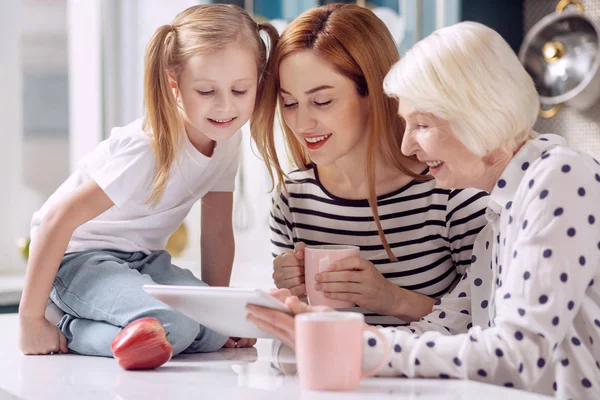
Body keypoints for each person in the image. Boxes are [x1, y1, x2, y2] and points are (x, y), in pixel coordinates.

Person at [247, 21, 600, 398]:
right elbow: (444, 328)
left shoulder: (559, 177)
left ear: (477, 114)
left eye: (422, 124)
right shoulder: (504, 212)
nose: (407, 146)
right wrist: (327, 333)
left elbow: (515, 356)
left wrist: (360, 345)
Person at [19, 4, 278, 358]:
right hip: (77, 260)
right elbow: (55, 218)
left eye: (240, 91)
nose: (224, 107)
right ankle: (67, 324)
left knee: (210, 330)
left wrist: (219, 319)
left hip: (143, 260)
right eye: (206, 92)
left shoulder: (226, 139)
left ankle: (127, 323)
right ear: (175, 85)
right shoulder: (148, 148)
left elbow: (217, 232)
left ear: (258, 84)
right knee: (174, 327)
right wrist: (31, 319)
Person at [250, 3, 488, 326]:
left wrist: (390, 298)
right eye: (289, 103)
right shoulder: (294, 200)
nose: (302, 123)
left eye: (322, 101)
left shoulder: (450, 190)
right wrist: (293, 297)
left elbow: (492, 325)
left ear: (374, 92)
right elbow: (302, 335)